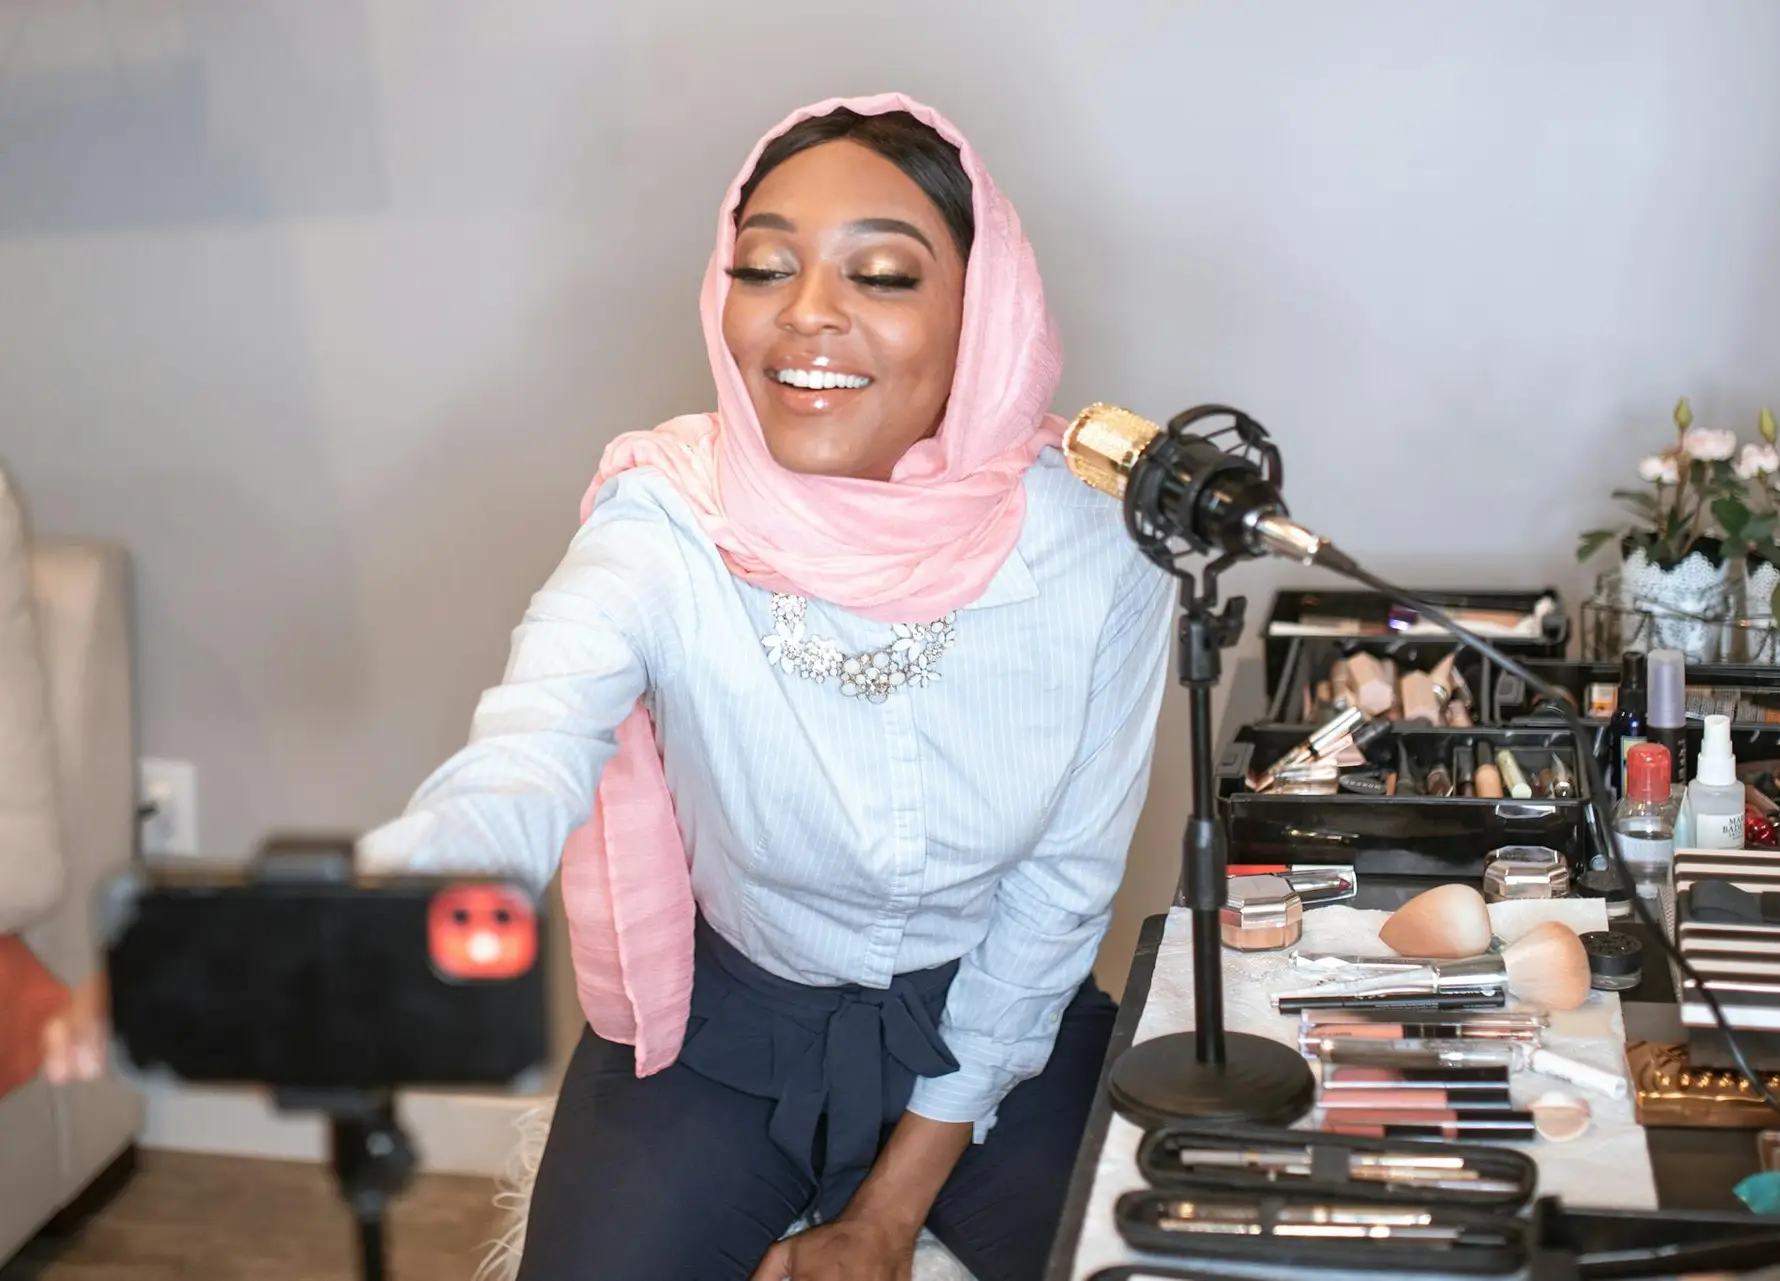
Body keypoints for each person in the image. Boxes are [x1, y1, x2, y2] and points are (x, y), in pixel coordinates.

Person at [146, 93, 1170, 1281]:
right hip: (726, 1039)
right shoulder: (664, 515)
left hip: (1001, 1032)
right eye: (764, 267)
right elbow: (528, 751)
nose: (806, 313)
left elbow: (1061, 889)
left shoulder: (1099, 542)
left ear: (981, 312)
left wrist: (889, 1215)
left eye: (882, 275)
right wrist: (376, 916)